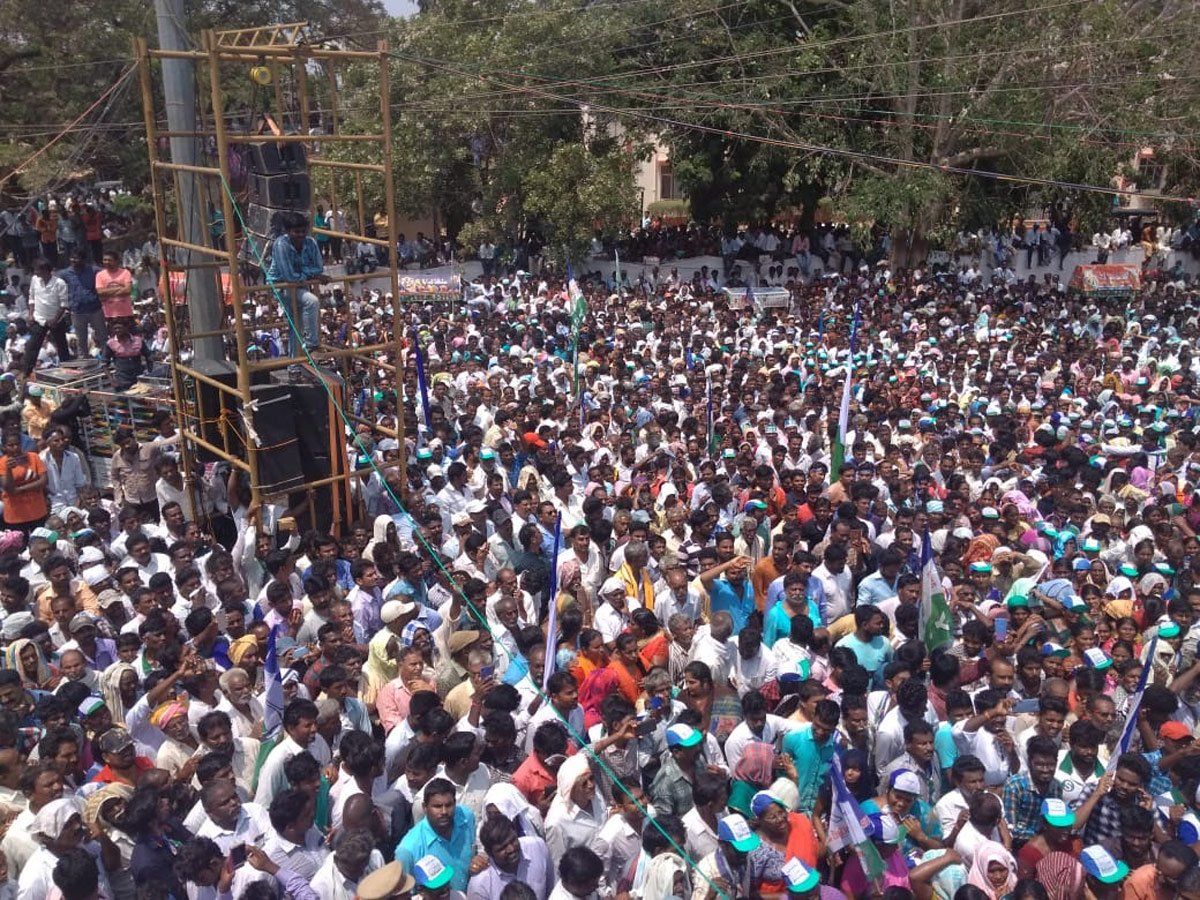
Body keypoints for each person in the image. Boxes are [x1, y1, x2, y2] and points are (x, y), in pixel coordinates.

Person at [268, 211, 326, 353]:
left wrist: (308, 274)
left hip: (299, 285)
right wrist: (311, 274)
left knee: (296, 325)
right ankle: (311, 343)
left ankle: (294, 367)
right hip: (281, 286)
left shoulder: (310, 242)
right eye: (296, 232)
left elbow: (319, 267)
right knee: (311, 301)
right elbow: (289, 276)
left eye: (303, 231)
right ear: (288, 231)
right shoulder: (281, 244)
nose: (301, 235)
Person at [24, 258, 71, 375]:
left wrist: (55, 320)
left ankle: (68, 371)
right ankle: (26, 373)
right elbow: (31, 297)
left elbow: (64, 304)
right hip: (39, 318)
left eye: (37, 270)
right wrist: (30, 315)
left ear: (45, 270)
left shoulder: (60, 283)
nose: (35, 272)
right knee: (32, 346)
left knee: (61, 346)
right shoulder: (35, 280)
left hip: (56, 320)